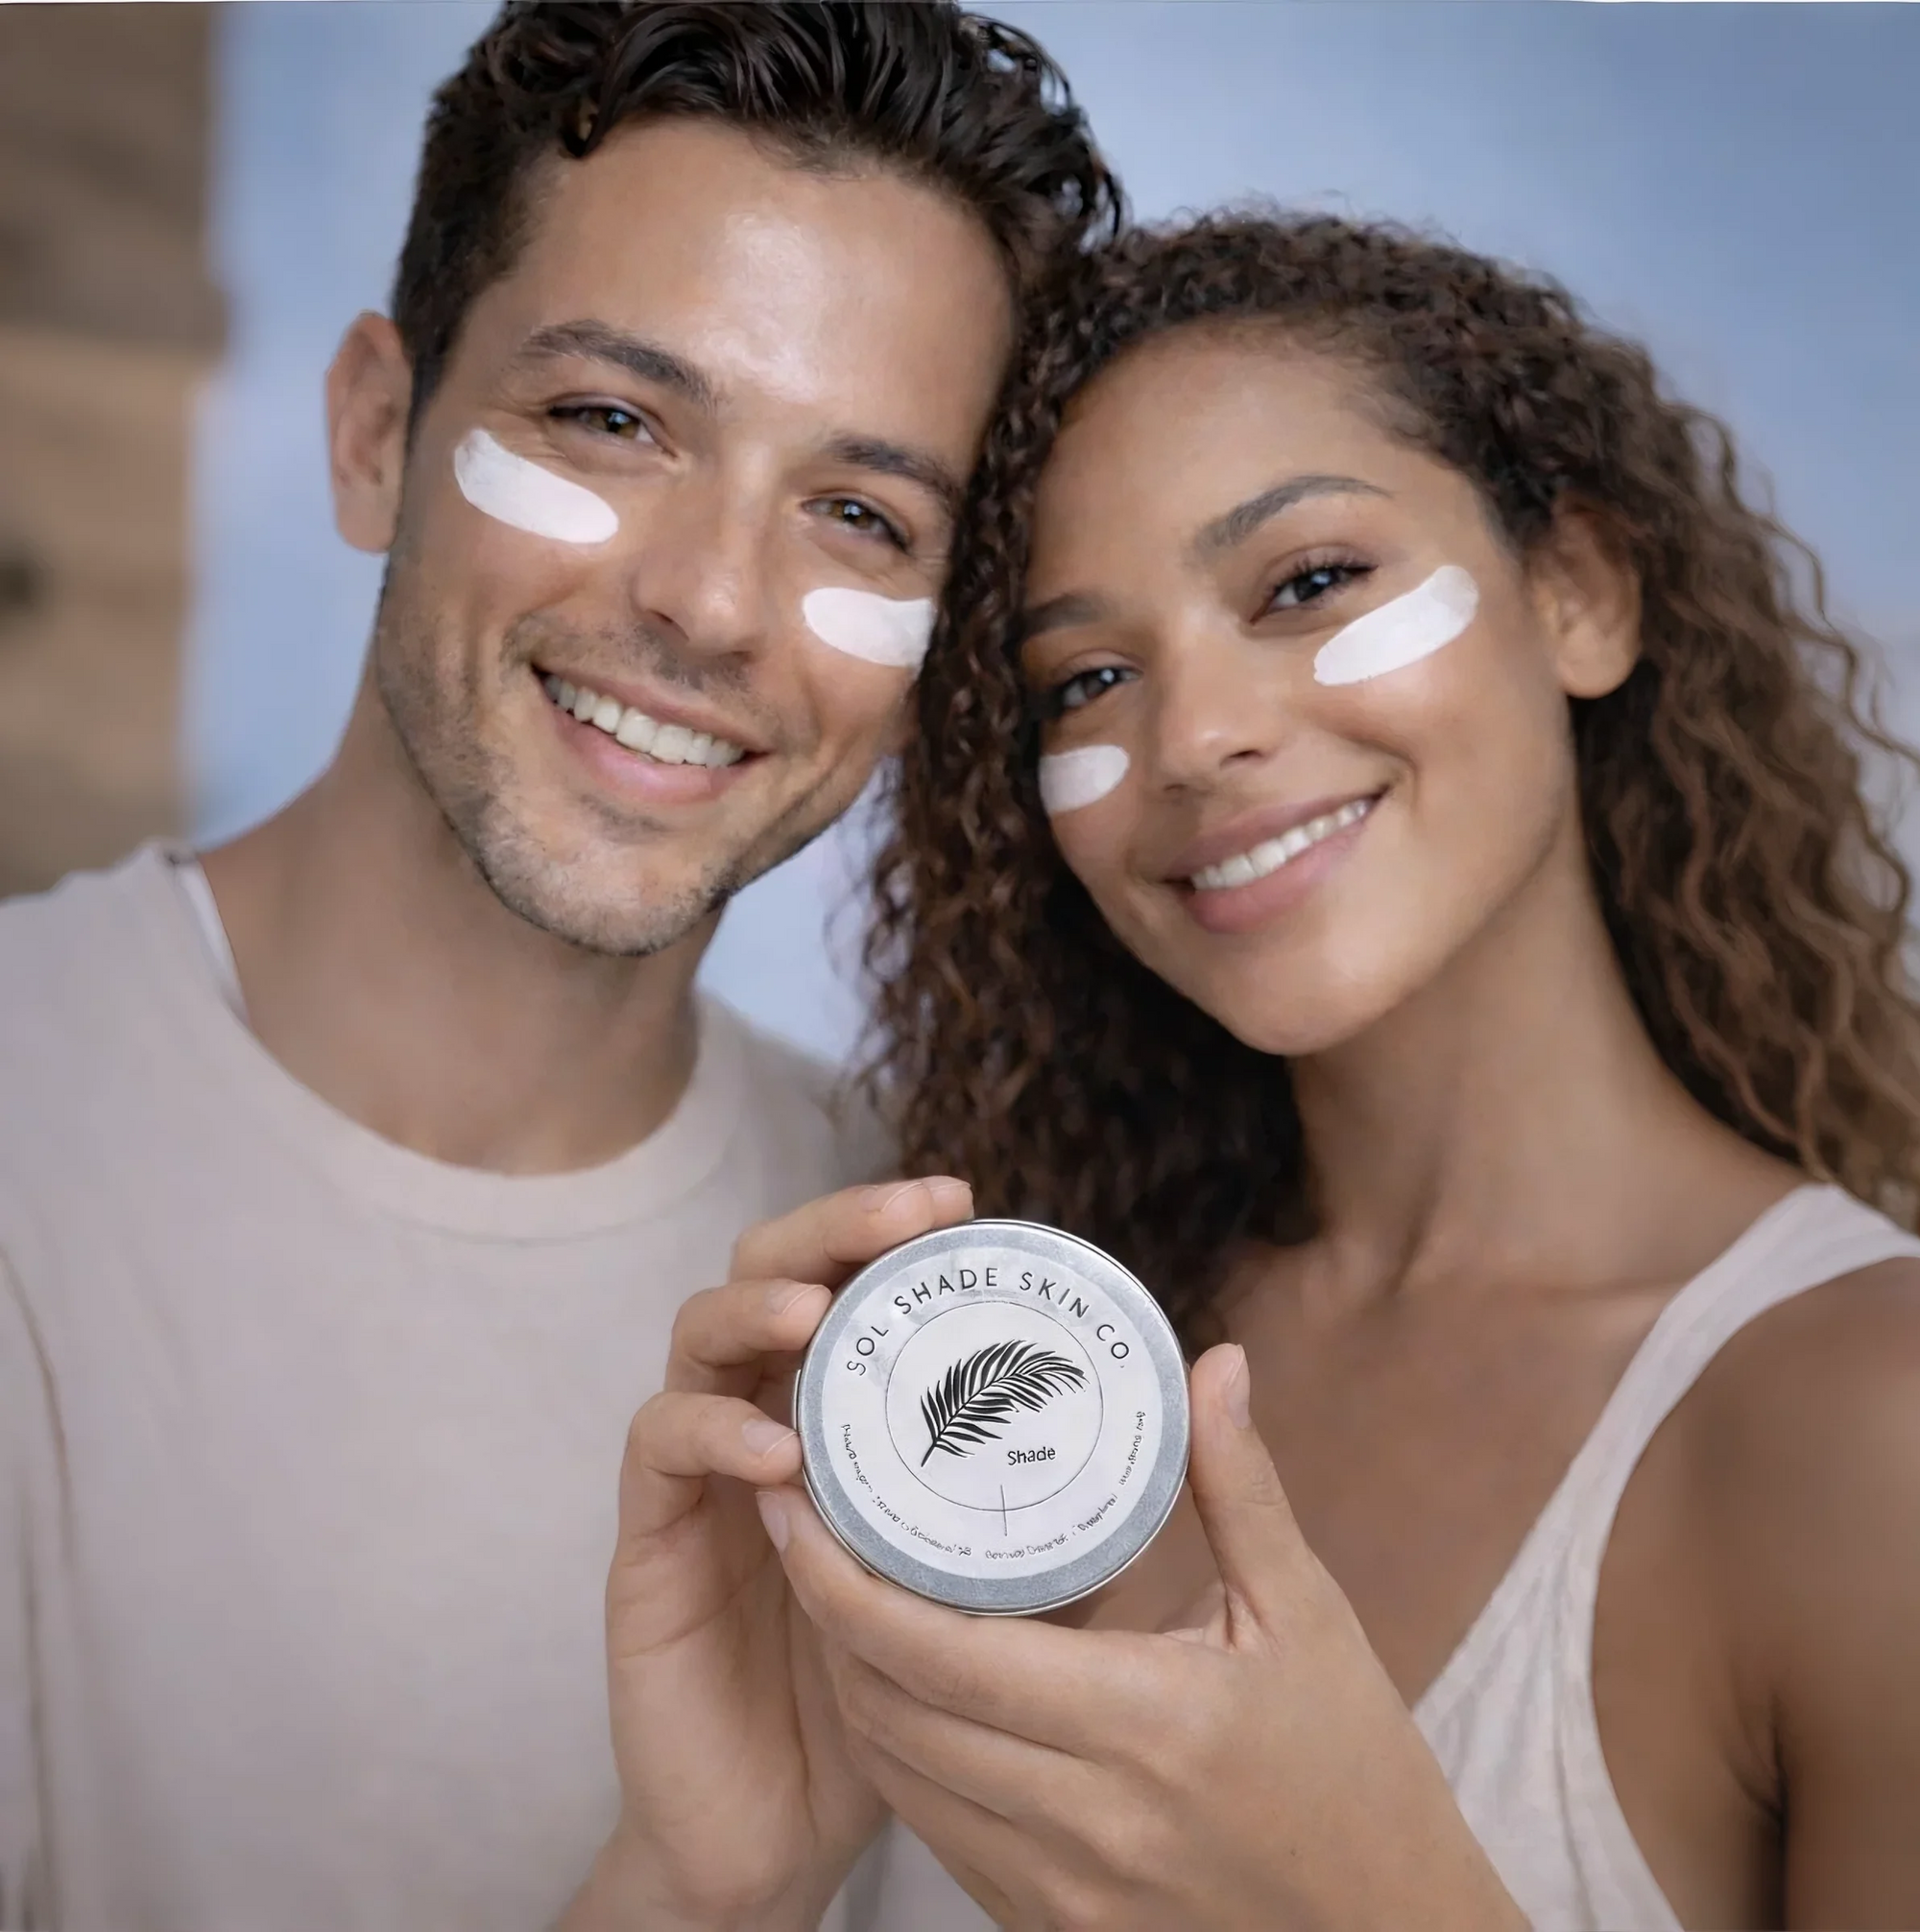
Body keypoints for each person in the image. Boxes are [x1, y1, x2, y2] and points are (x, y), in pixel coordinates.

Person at [587, 211, 1920, 1930]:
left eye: (1306, 585)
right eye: (1089, 677)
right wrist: (716, 1875)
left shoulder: (1866, 1431)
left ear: (1577, 593)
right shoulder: (1028, 1376)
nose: (1195, 736)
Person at [0, 6, 1121, 1926]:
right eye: (611, 419)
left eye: (859, 513)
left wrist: (712, 1883)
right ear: (377, 432)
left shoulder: (948, 1326)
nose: (706, 601)